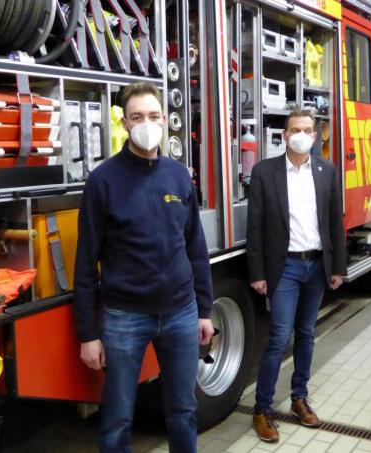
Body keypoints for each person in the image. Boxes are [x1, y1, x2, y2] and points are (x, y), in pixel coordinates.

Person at [72, 82, 215, 453]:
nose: (146, 124)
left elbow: (195, 247)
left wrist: (204, 310)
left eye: (153, 116)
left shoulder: (179, 175)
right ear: (124, 123)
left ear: (165, 120)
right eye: (137, 117)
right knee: (118, 417)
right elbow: (86, 263)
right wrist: (88, 334)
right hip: (125, 317)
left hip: (181, 312)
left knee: (183, 410)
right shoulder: (103, 181)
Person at [246, 110, 347, 443]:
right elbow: (255, 227)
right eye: (295, 129)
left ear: (315, 136)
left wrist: (338, 267)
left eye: (307, 130)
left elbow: (334, 222)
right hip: (284, 267)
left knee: (306, 333)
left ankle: (299, 398)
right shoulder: (265, 172)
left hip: (316, 266)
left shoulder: (326, 170)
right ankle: (262, 409)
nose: (301, 135)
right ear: (285, 135)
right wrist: (257, 273)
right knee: (278, 337)